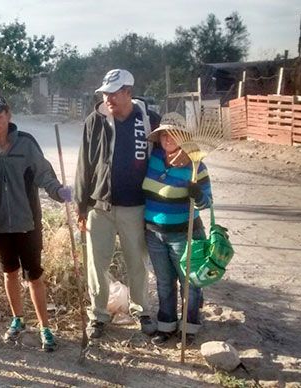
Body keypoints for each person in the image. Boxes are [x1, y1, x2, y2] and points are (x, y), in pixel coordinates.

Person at [0, 94, 72, 352]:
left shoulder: (27, 144)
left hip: (27, 222)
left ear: (8, 116)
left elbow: (44, 175)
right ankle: (18, 319)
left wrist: (58, 192)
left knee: (34, 275)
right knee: (9, 272)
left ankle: (45, 327)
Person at [74, 69, 161, 339]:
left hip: (135, 207)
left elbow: (161, 162)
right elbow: (84, 165)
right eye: (105, 93)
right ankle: (98, 315)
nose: (108, 98)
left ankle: (142, 310)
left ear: (128, 92)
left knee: (136, 262)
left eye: (114, 93)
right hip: (99, 207)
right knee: (96, 264)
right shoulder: (95, 120)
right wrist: (80, 206)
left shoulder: (149, 120)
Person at [142, 120, 212, 345]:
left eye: (173, 135)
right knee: (164, 282)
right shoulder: (153, 158)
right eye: (163, 136)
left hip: (184, 233)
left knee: (189, 283)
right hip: (153, 233)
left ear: (183, 137)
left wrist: (198, 195)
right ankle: (166, 325)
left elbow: (207, 203)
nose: (167, 139)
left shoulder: (196, 165)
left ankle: (189, 328)